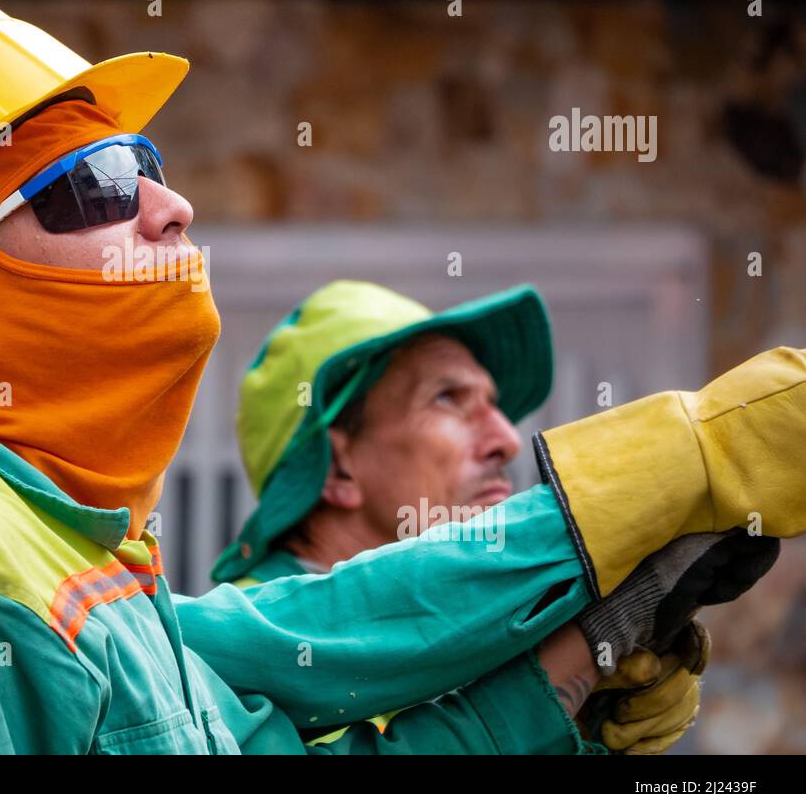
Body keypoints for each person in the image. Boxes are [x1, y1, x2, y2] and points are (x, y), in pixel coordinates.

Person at [0, 0, 806, 753]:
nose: (171, 203)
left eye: (147, 164)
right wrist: (668, 464)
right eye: (96, 180)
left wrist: (575, 662)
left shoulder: (78, 560)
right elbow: (330, 624)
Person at [216, 279, 779, 753]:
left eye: (494, 405)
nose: (508, 440)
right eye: (446, 399)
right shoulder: (224, 670)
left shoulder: (484, 641)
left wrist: (577, 732)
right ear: (338, 468)